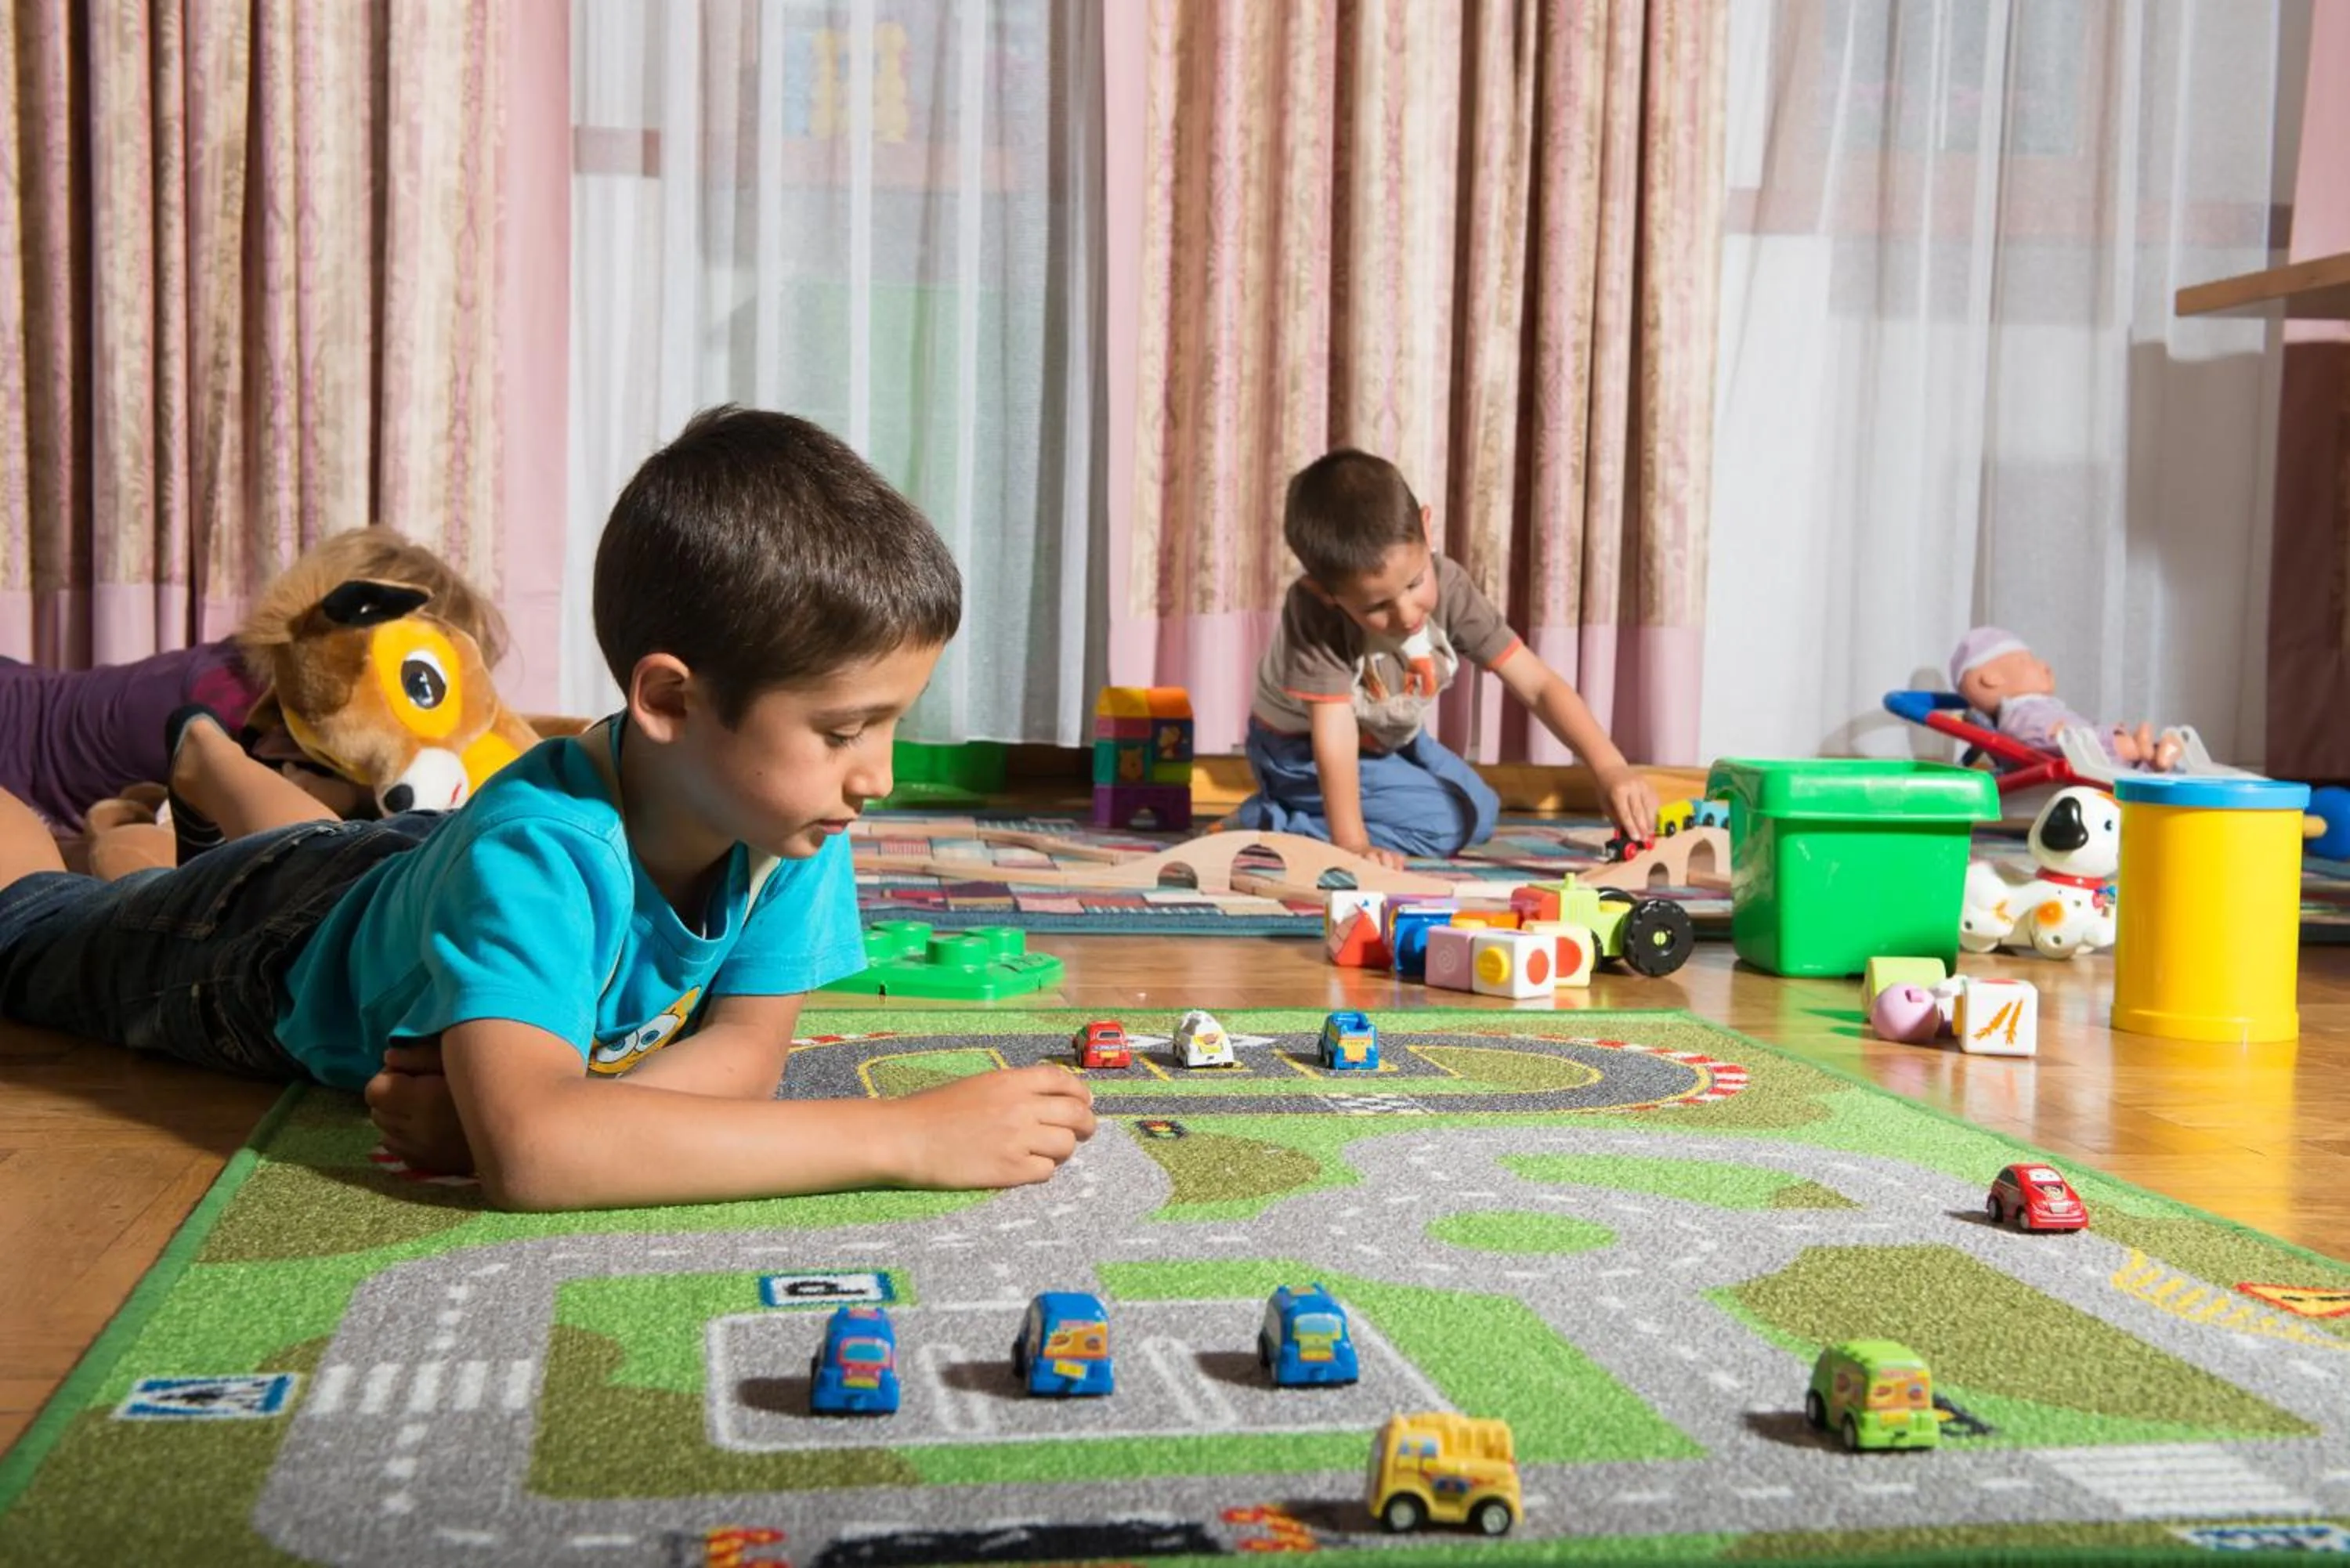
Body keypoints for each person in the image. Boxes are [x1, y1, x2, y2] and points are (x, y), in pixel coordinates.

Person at [0, 406, 1096, 1210]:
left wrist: (551, 1115)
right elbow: (542, 1160)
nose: (879, 776)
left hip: (402, 873)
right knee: (34, 922)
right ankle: (138, 838)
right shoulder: (539, 852)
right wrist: (902, 1137)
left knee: (319, 846)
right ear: (668, 699)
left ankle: (167, 799)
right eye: (846, 728)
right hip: (263, 949)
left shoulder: (791, 817)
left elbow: (746, 1054)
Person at [1231, 449, 1658, 867]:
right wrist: (1353, 845)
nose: (1406, 614)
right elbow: (1335, 734)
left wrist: (1609, 767)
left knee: (1481, 811)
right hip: (1298, 752)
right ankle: (1267, 823)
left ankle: (1318, 813)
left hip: (1390, 738)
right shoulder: (1314, 612)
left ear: (1427, 528)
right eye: (1377, 608)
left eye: (1415, 584)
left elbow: (1538, 685)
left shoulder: (1451, 587)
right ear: (1328, 594)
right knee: (1440, 827)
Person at [1950, 627, 2184, 771]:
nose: (2044, 666)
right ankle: (2145, 752)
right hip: (2074, 755)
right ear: (1992, 679)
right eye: (2028, 661)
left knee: (2118, 748)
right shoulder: (2019, 714)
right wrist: (2066, 734)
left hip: (2087, 750)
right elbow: (2039, 739)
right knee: (2117, 748)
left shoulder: (2040, 706)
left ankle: (2153, 755)